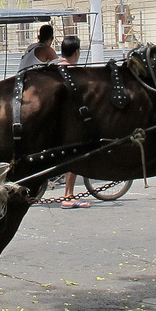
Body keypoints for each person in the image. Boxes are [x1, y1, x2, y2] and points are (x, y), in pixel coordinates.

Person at [56, 35, 90, 208]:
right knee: (76, 153)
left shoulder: (54, 67)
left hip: (54, 120)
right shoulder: (72, 71)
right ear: (76, 52)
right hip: (68, 121)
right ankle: (68, 195)